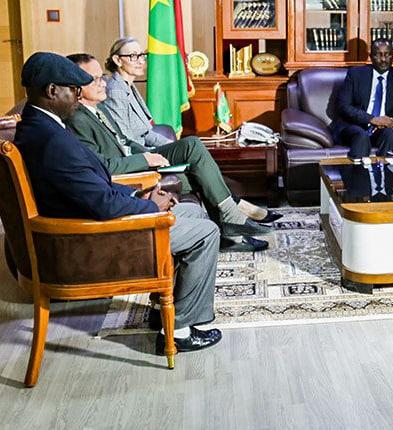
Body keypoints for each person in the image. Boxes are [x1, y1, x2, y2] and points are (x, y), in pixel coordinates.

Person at [13, 52, 222, 354]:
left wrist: (138, 196)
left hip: (89, 223)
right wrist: (152, 207)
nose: (78, 96)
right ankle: (179, 331)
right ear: (52, 90)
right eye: (74, 89)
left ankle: (164, 311)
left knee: (192, 211)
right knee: (207, 233)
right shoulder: (52, 141)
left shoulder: (41, 128)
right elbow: (103, 205)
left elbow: (93, 186)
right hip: (92, 241)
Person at [65, 53, 274, 253]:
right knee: (197, 172)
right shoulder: (77, 119)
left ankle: (231, 220)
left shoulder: (99, 109)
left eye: (102, 77)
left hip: (138, 156)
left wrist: (152, 155)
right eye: (94, 79)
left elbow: (125, 141)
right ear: (76, 86)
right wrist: (146, 159)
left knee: (192, 145)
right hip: (129, 171)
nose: (103, 83)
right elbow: (102, 166)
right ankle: (231, 225)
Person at [331, 38, 393, 159]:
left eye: (387, 55)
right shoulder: (355, 74)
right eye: (378, 55)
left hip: (385, 128)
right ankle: (358, 170)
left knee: (390, 134)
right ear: (371, 57)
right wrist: (372, 119)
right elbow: (343, 106)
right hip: (356, 126)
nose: (383, 59)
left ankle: (389, 170)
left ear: (392, 56)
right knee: (361, 136)